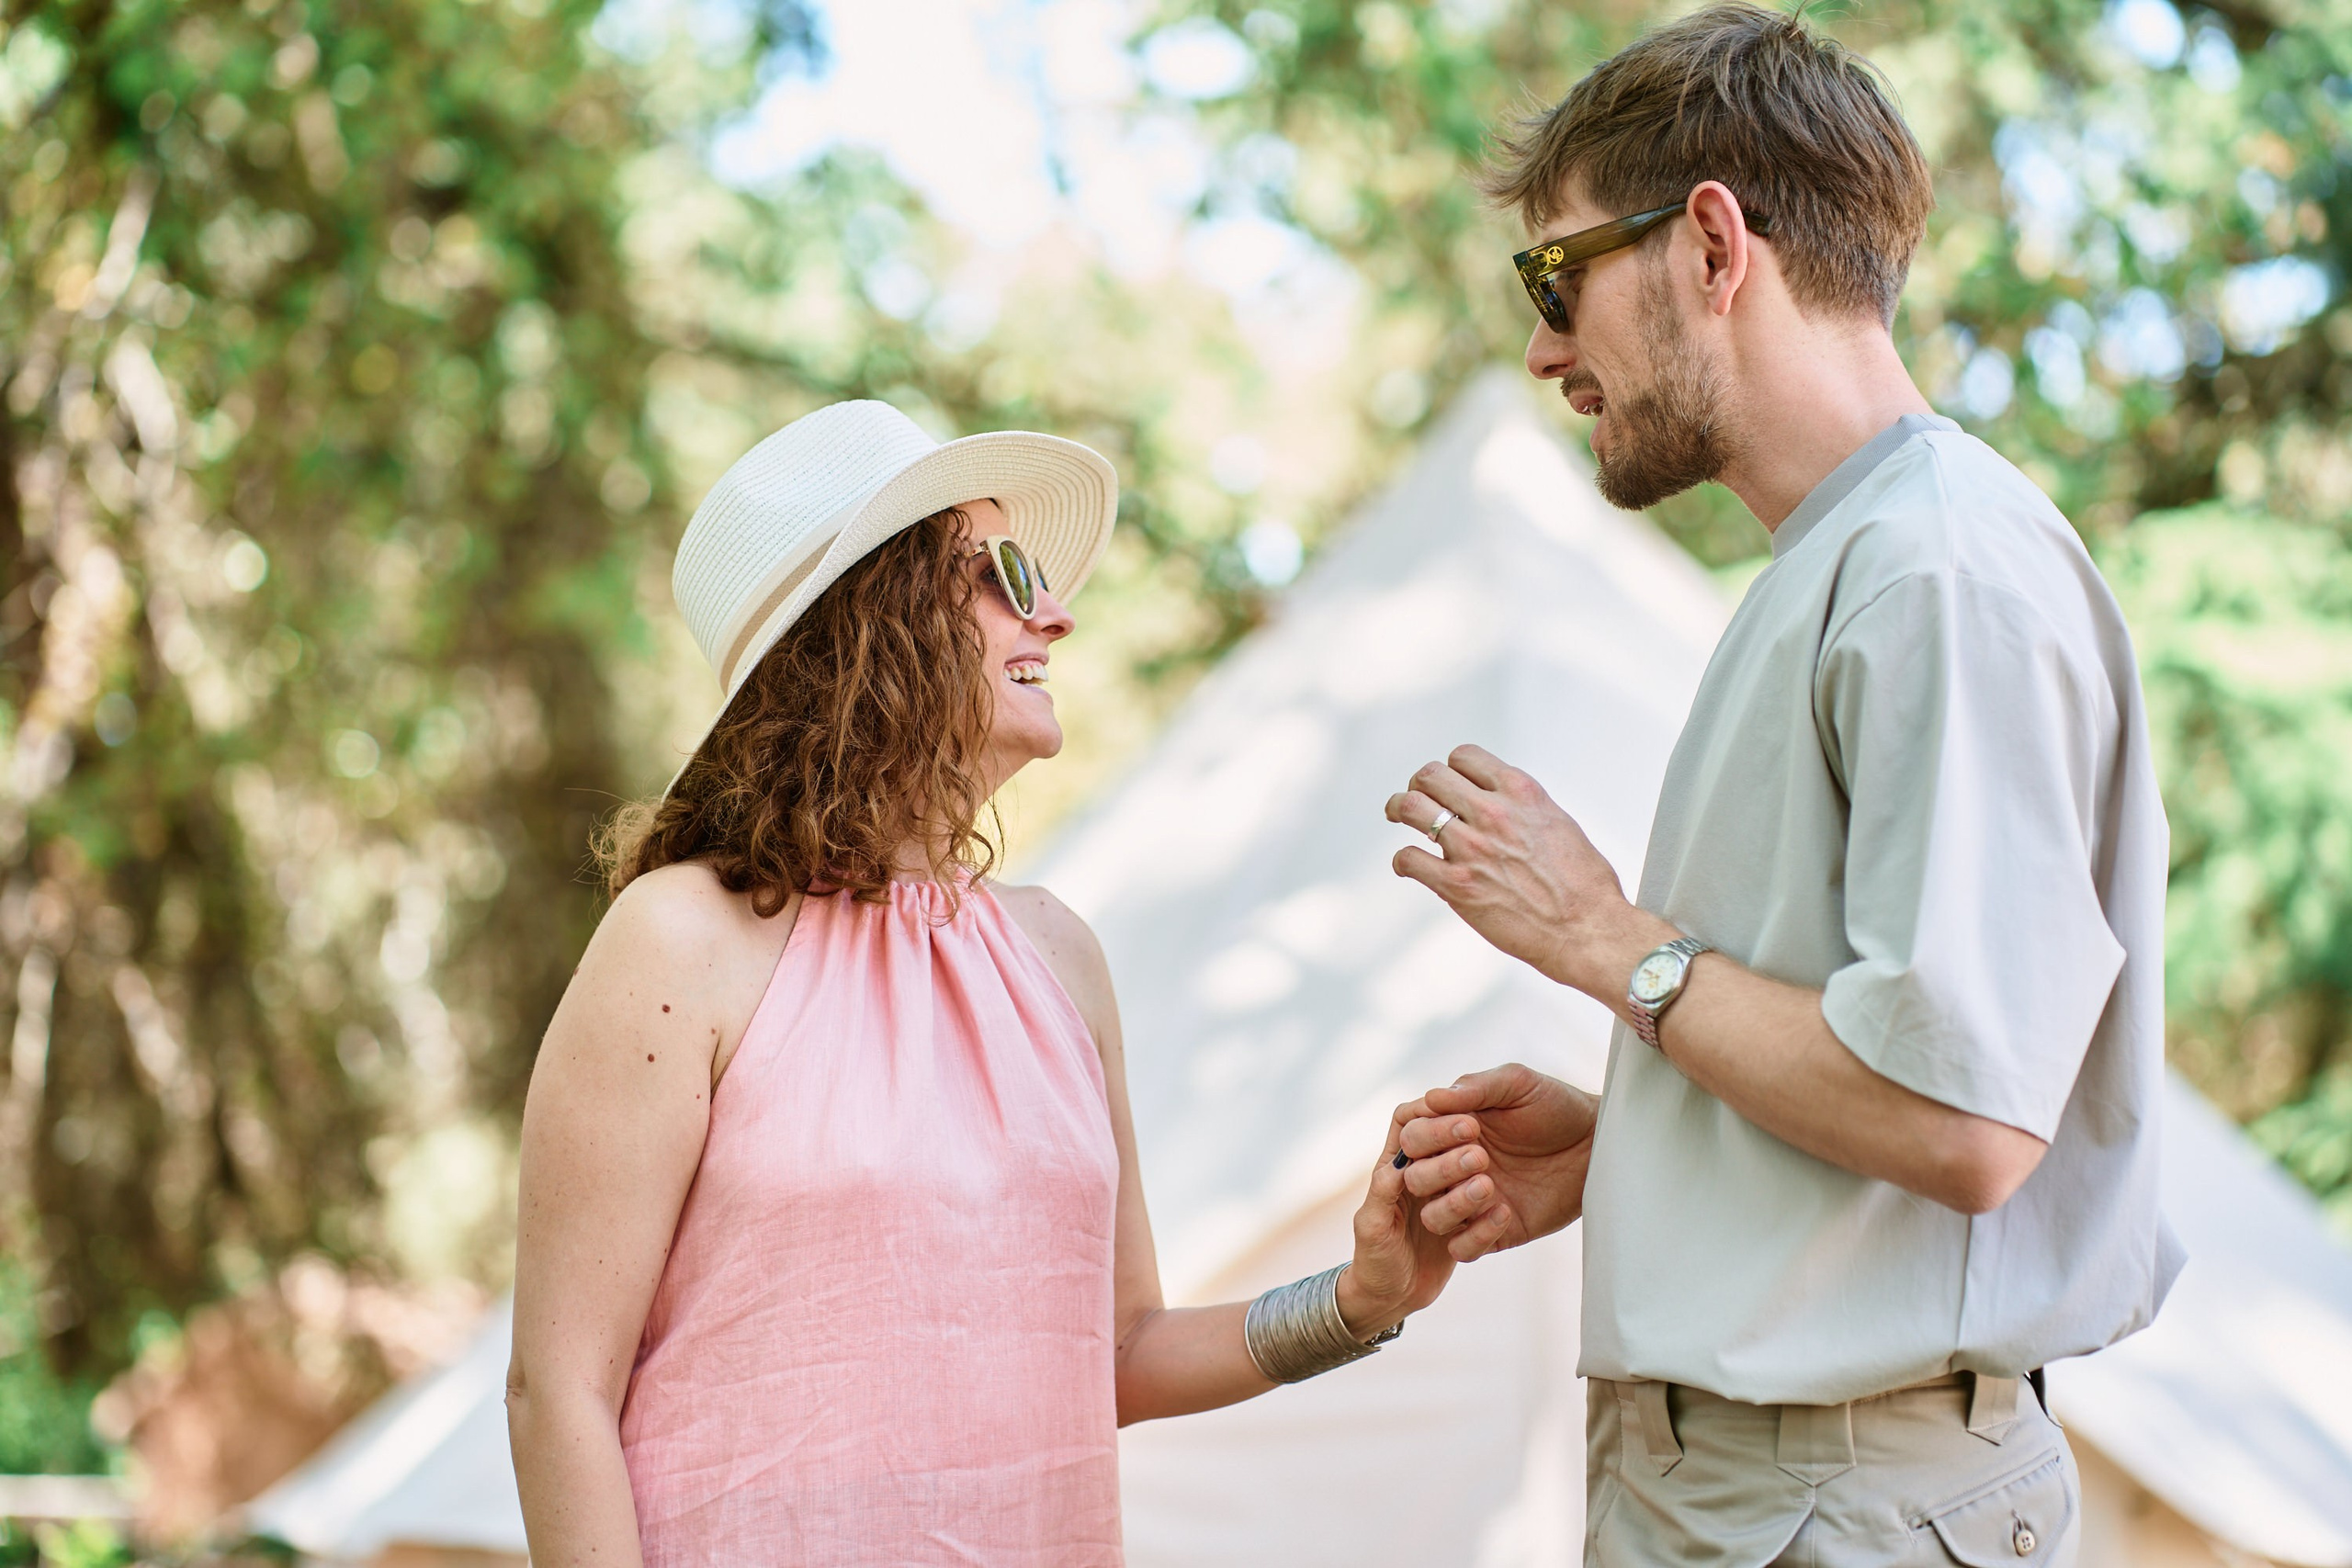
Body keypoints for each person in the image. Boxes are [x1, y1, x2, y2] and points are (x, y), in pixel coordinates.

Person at [1382, 6, 2177, 1565]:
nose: (1546, 347)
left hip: (1837, 1505)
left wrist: (1606, 939)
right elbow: (1895, 1044)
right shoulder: (1852, 561)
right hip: (1777, 1498)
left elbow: (1963, 1119)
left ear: (1711, 245)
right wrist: (1649, 1133)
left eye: (1559, 279)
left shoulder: (1934, 574)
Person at [503, 400, 1454, 1567]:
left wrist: (1358, 1303)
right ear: (870, 620)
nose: (1053, 610)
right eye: (999, 570)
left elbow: (1117, 1352)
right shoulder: (676, 944)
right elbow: (559, 1393)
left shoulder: (1058, 957)